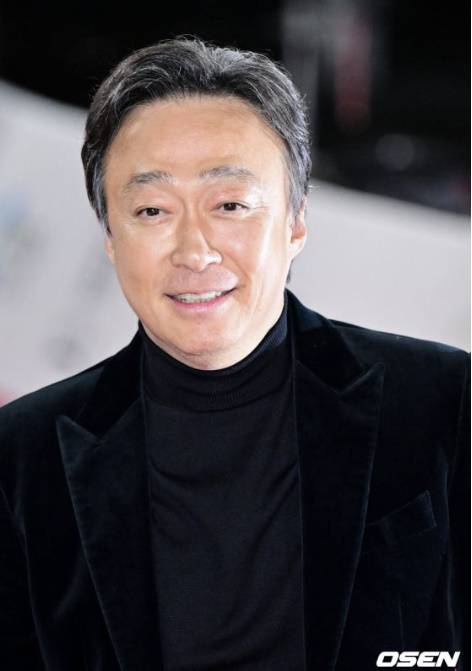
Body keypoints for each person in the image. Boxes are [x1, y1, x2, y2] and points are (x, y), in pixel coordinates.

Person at [0, 38, 469, 671]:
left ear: (295, 222)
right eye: (151, 210)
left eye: (230, 205)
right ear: (110, 235)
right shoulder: (21, 460)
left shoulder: (444, 404)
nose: (194, 251)